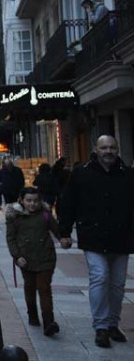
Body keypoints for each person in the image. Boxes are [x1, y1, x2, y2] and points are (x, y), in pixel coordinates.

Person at [59, 135, 134, 348]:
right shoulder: (81, 174)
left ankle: (112, 324)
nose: (108, 151)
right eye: (104, 148)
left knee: (118, 285)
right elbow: (67, 203)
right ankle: (100, 327)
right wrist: (64, 232)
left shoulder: (128, 174)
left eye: (112, 147)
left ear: (117, 149)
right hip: (93, 237)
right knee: (100, 277)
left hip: (122, 238)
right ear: (96, 149)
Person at [7, 188, 61, 336]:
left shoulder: (45, 215)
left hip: (46, 257)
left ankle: (49, 322)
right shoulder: (15, 217)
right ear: (22, 200)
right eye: (29, 200)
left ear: (40, 201)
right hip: (26, 259)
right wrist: (17, 256)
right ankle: (32, 314)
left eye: (36, 201)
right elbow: (11, 239)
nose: (32, 204)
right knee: (30, 288)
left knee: (44, 288)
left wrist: (63, 238)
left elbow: (57, 230)